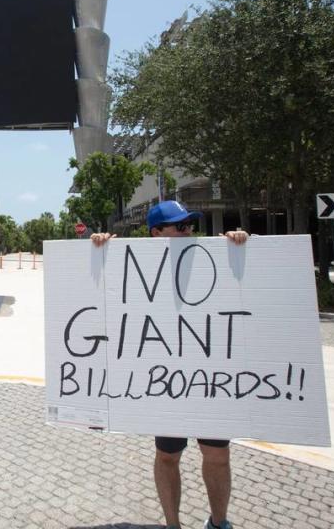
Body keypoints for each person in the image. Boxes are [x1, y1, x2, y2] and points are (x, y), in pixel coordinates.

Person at [91, 200, 247, 529]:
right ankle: (172, 525)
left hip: (209, 379)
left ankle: (219, 523)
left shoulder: (212, 257)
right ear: (156, 233)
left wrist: (240, 247)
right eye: (180, 227)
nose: (188, 231)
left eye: (190, 225)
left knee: (218, 456)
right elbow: (104, 302)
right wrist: (101, 251)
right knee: (167, 456)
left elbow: (246, 290)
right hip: (166, 382)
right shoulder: (134, 264)